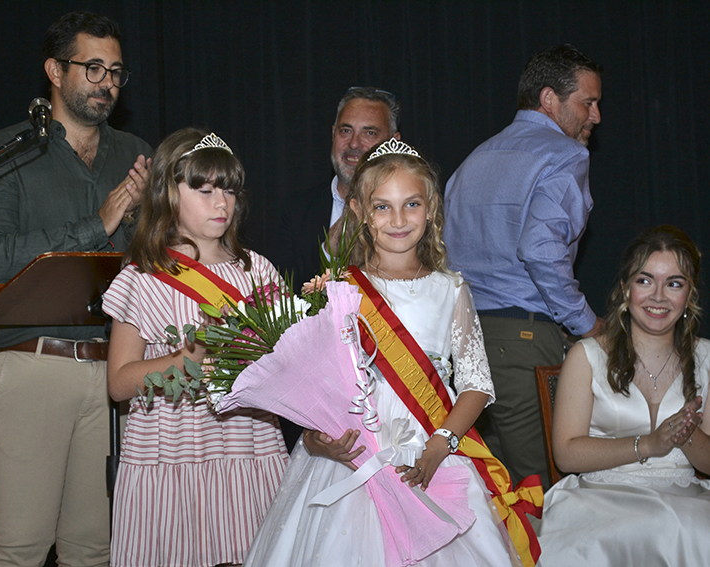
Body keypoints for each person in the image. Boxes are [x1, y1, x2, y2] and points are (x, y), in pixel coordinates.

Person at [245, 139, 524, 567]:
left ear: (431, 209)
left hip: (428, 451)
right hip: (350, 458)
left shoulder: (451, 289)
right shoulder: (337, 288)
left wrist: (440, 445)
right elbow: (313, 384)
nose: (398, 219)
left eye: (411, 204)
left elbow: (477, 385)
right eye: (382, 207)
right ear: (358, 210)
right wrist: (315, 439)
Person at [0, 11, 151, 567]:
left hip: (114, 372)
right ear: (54, 69)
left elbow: (162, 260)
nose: (108, 83)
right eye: (92, 68)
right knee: (20, 547)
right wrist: (100, 222)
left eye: (116, 71)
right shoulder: (7, 151)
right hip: (32, 367)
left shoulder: (137, 153)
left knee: (94, 550)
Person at [102, 128, 289, 567]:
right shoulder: (144, 277)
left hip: (248, 448)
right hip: (170, 454)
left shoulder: (258, 272)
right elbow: (117, 382)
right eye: (203, 190)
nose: (220, 202)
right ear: (168, 193)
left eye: (228, 189)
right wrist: (181, 362)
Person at [443, 44, 605, 488]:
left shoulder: (473, 159)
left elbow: (442, 255)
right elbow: (540, 248)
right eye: (586, 103)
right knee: (541, 494)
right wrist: (587, 324)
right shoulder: (566, 155)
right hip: (524, 342)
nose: (595, 117)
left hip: (465, 347)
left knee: (489, 490)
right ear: (549, 99)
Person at [538, 225, 710, 565]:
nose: (658, 296)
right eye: (645, 281)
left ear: (688, 295)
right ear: (625, 288)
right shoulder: (586, 356)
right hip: (600, 497)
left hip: (685, 497)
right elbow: (567, 455)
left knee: (692, 530)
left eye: (674, 283)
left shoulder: (706, 357)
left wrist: (685, 433)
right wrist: (649, 444)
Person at [268, 86, 401, 288]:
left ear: (393, 141)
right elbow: (280, 298)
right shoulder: (295, 210)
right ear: (333, 134)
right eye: (346, 130)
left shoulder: (410, 212)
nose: (354, 143)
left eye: (369, 132)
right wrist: (328, 253)